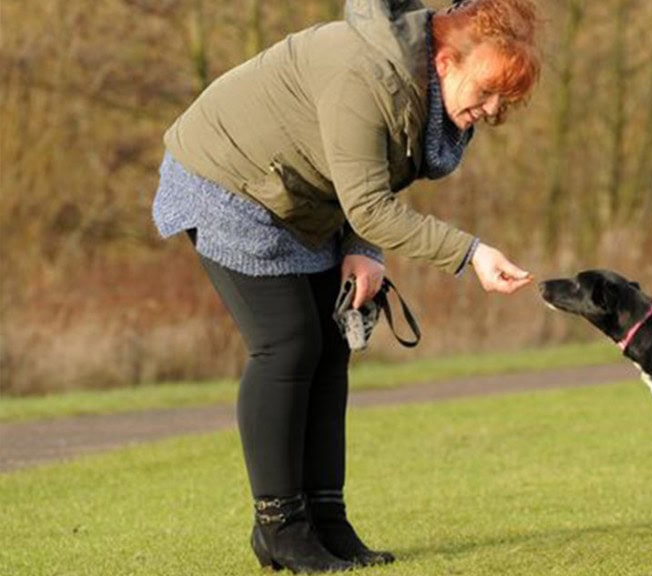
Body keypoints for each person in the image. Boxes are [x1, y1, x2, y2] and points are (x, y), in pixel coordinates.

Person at [151, 0, 540, 572]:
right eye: (487, 92)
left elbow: (369, 174)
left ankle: (326, 520)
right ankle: (280, 527)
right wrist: (469, 253)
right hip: (227, 180)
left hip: (304, 197)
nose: (492, 110)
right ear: (444, 62)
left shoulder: (431, 99)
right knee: (287, 344)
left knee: (331, 346)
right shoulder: (367, 74)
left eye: (505, 102)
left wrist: (361, 249)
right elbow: (369, 202)